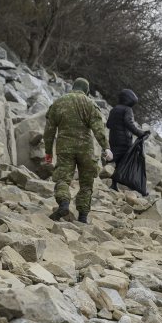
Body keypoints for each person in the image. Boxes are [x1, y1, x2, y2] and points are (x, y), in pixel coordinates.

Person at [43, 78, 112, 223]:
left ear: (72, 87)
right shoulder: (90, 104)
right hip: (85, 150)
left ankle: (63, 204)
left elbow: (49, 131)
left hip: (64, 148)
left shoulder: (59, 102)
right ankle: (82, 217)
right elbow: (98, 129)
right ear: (87, 91)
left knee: (63, 179)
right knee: (86, 184)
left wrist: (48, 152)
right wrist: (106, 147)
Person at [106, 89, 149, 189]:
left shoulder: (114, 109)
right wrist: (140, 133)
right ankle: (99, 167)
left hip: (113, 138)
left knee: (117, 159)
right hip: (124, 140)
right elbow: (129, 124)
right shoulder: (127, 110)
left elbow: (108, 124)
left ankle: (114, 184)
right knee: (122, 159)